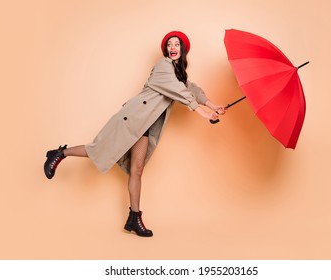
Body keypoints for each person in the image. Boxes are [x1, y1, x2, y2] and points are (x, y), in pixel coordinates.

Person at [44, 31, 226, 237]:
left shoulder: (179, 73)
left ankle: (134, 217)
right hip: (131, 119)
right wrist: (203, 113)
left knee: (137, 170)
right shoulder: (163, 67)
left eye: (177, 45)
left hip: (145, 126)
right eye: (169, 45)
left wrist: (213, 105)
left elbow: (193, 89)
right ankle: (60, 153)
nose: (173, 48)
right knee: (99, 149)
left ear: (183, 50)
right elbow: (182, 92)